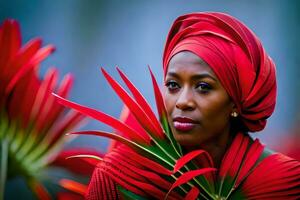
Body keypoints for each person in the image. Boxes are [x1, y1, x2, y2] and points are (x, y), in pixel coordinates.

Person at [85, 12, 300, 199]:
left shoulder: (283, 184)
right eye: (173, 85)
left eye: (203, 87)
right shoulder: (119, 177)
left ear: (236, 101)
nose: (182, 101)